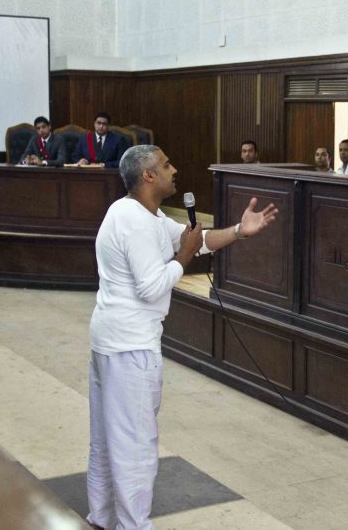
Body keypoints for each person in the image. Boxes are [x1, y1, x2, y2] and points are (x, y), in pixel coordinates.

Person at [85, 144, 277, 530]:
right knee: (136, 446)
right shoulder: (136, 222)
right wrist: (184, 258)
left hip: (111, 339)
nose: (175, 170)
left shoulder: (141, 215)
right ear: (148, 176)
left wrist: (240, 231)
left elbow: (197, 239)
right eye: (166, 164)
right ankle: (133, 525)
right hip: (131, 348)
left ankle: (103, 518)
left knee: (107, 441)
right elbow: (152, 287)